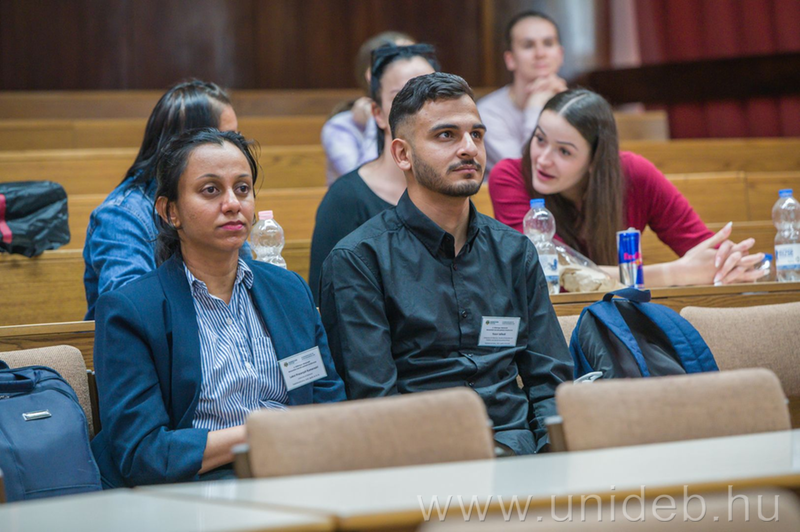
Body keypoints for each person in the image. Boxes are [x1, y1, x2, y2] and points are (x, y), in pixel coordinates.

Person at [320, 73, 573, 455]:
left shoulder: (514, 252)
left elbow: (550, 383)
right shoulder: (359, 261)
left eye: (477, 135)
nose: (469, 149)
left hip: (521, 454)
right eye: (446, 135)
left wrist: (550, 461)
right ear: (402, 154)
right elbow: (374, 404)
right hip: (424, 460)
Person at [91, 129, 346, 487]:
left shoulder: (289, 291)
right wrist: (260, 434)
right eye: (210, 190)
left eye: (242, 188)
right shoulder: (131, 310)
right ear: (170, 211)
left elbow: (328, 404)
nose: (232, 204)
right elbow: (144, 452)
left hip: (299, 473)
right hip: (199, 487)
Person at [489, 89, 766, 287]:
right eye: (540, 139)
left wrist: (729, 263)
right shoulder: (509, 177)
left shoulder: (634, 173)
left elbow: (704, 251)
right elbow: (553, 272)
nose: (543, 159)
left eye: (564, 151)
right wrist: (674, 273)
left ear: (594, 161)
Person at [83, 79, 241, 319]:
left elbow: (243, 288)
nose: (236, 148)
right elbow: (133, 313)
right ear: (191, 143)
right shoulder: (121, 215)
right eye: (227, 137)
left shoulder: (227, 205)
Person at [309, 43, 439, 302]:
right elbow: (327, 303)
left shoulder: (452, 188)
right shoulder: (345, 199)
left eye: (431, 95)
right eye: (402, 96)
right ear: (378, 114)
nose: (421, 109)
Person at [321, 31, 414, 185]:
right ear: (372, 75)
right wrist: (374, 122)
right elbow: (360, 185)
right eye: (403, 59)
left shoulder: (423, 118)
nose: (414, 65)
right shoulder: (340, 126)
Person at [478, 11, 567, 170]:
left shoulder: (576, 103)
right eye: (528, 45)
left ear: (560, 55)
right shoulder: (488, 112)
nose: (540, 54)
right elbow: (527, 169)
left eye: (548, 43)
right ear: (510, 59)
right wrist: (535, 108)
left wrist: (567, 108)